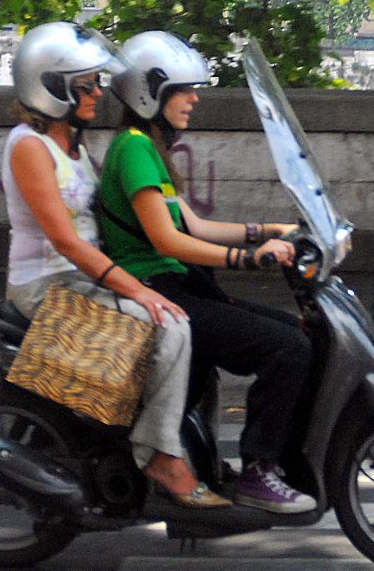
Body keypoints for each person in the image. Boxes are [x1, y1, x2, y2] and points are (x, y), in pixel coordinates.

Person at [3, 22, 229, 509]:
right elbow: (65, 240)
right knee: (171, 325)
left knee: (185, 323)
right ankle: (160, 454)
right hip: (45, 285)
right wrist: (138, 290)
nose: (97, 94)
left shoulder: (73, 147)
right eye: (86, 86)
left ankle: (182, 449)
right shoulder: (28, 146)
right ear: (52, 89)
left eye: (96, 84)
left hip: (81, 279)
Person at [98, 31, 315, 515]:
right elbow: (168, 242)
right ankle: (259, 472)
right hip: (156, 290)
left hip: (178, 284)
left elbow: (193, 225)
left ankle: (264, 460)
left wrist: (270, 230)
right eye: (183, 90)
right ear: (149, 92)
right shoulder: (133, 150)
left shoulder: (149, 148)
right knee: (287, 347)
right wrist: (251, 259)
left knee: (300, 333)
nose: (194, 99)